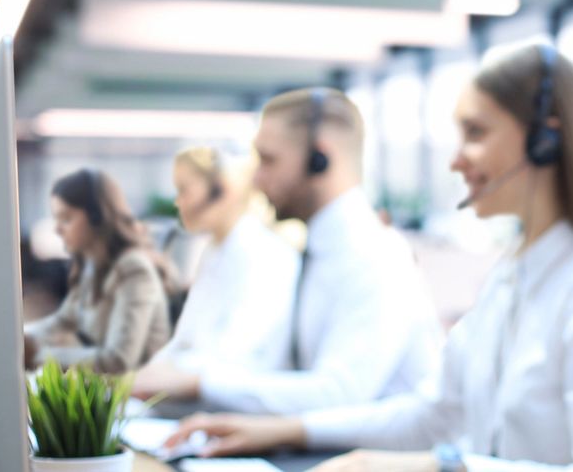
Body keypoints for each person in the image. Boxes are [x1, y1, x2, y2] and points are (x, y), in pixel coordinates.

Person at [164, 46, 573, 471]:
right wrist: (286, 431)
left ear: (544, 140)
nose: (455, 159)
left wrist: (444, 467)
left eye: (476, 133)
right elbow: (434, 413)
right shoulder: (511, 279)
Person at [132, 88, 441, 415]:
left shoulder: (376, 257)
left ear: (319, 160)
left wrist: (200, 382)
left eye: (268, 160)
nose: (256, 181)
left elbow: (340, 394)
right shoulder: (318, 253)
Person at [132, 147, 300, 393]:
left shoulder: (264, 254)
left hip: (234, 406)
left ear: (222, 189)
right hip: (197, 396)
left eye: (184, 190)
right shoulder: (214, 252)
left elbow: (239, 361)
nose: (179, 202)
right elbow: (184, 342)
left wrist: (152, 379)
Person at [24, 168, 174, 373]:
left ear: (97, 217)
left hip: (141, 395)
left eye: (66, 218)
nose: (57, 229)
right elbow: (63, 320)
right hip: (112, 392)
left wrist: (40, 357)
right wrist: (21, 337)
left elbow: (118, 360)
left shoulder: (133, 269)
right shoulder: (93, 267)